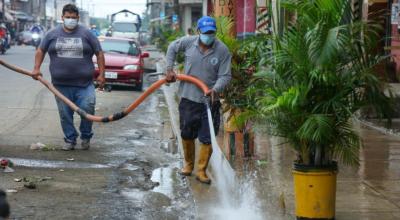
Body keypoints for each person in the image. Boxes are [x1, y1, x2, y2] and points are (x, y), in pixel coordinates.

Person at [165, 16, 232, 184]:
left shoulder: (222, 51)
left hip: (210, 101)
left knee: (207, 136)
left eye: (212, 33)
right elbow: (172, 48)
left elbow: (225, 76)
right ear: (198, 32)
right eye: (205, 33)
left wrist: (215, 89)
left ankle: (201, 170)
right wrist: (169, 69)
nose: (209, 36)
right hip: (188, 97)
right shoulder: (188, 42)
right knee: (187, 132)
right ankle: (188, 165)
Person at [31, 4, 105, 151]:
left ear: (78, 18)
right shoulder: (52, 34)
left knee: (87, 108)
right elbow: (41, 50)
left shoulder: (87, 34)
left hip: (84, 84)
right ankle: (70, 139)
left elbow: (99, 53)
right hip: (60, 85)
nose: (70, 20)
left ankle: (85, 136)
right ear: (62, 18)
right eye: (68, 17)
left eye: (73, 17)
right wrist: (36, 68)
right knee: (65, 113)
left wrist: (102, 74)